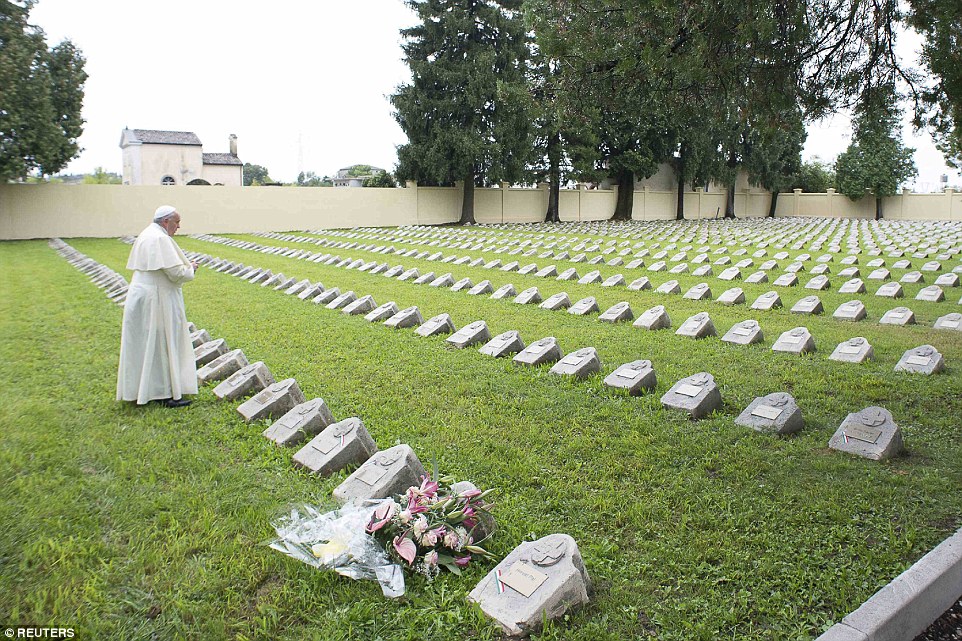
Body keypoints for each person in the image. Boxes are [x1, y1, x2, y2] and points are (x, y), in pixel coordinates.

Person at [117, 205, 199, 407]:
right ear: (166, 221)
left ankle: (146, 388)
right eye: (177, 222)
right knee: (161, 342)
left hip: (143, 294)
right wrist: (192, 269)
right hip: (156, 298)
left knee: (146, 342)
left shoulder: (148, 233)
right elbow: (176, 273)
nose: (178, 227)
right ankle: (164, 393)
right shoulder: (160, 238)